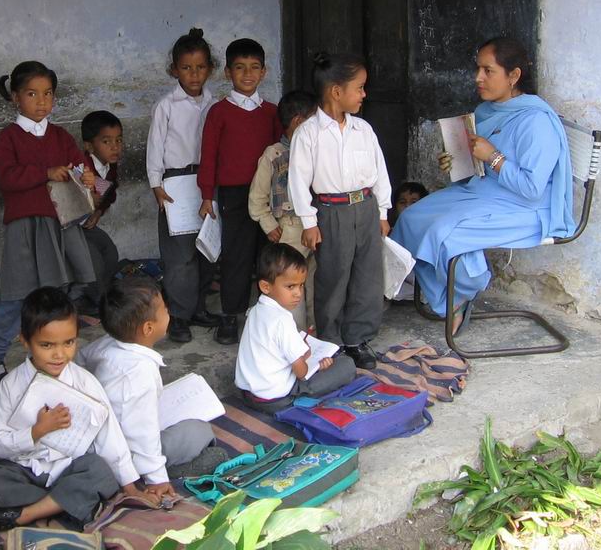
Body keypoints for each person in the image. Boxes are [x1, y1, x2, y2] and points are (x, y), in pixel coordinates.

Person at [391, 37, 575, 333]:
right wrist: (456, 162)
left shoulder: (536, 121)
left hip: (526, 209)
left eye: (488, 71)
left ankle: (462, 293)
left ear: (513, 75)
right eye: (478, 69)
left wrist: (493, 156)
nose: (478, 78)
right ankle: (444, 296)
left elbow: (532, 189)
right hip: (485, 194)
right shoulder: (488, 111)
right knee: (412, 217)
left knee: (445, 232)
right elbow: (478, 171)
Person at [0, 287, 158, 537]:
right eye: (46, 345)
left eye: (69, 343)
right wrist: (36, 432)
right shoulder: (10, 386)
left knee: (100, 472)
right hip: (25, 471)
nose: (59, 354)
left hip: (69, 468)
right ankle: (65, 504)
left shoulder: (85, 382)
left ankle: (25, 514)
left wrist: (130, 487)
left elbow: (109, 437)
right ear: (25, 340)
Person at [0, 61, 97, 388]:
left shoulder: (60, 136)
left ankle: (50, 350)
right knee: (17, 296)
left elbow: (80, 165)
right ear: (15, 98)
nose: (41, 101)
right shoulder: (8, 138)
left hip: (61, 225)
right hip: (26, 228)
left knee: (64, 291)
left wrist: (87, 176)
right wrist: (44, 173)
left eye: (47, 94)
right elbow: (7, 177)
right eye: (32, 94)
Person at [288, 52, 391, 370]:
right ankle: (331, 342)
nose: (364, 94)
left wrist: (383, 212)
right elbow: (298, 181)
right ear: (336, 91)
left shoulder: (364, 129)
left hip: (366, 208)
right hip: (331, 212)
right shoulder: (308, 133)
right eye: (359, 88)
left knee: (367, 277)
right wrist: (309, 221)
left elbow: (380, 173)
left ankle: (357, 339)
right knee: (333, 278)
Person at [79, 276, 228, 491]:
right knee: (200, 431)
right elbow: (141, 434)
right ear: (148, 328)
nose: (169, 313)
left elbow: (82, 360)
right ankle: (170, 470)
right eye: (165, 310)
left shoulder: (106, 344)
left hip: (105, 439)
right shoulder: (139, 371)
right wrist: (157, 478)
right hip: (124, 452)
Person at [198, 38, 282, 345]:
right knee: (236, 256)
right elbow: (209, 156)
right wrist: (207, 195)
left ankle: (268, 317)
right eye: (240, 68)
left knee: (269, 255)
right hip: (233, 195)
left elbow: (281, 155)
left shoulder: (272, 112)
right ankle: (231, 316)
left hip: (268, 195)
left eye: (254, 68)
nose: (248, 74)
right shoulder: (219, 112)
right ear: (227, 72)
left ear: (264, 72)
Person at [146, 28, 221, 344]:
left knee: (206, 249)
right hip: (175, 183)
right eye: (187, 68)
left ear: (210, 69)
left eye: (200, 67)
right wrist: (156, 184)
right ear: (174, 70)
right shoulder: (166, 105)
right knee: (180, 256)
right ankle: (178, 315)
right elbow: (155, 146)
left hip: (206, 181)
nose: (194, 74)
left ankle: (198, 308)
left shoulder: (215, 104)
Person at [235, 244, 356, 413]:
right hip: (275, 399)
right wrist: (316, 366)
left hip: (247, 394)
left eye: (301, 285)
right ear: (265, 286)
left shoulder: (255, 310)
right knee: (346, 365)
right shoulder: (282, 320)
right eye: (290, 286)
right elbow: (301, 373)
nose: (298, 293)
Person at [248, 89, 319, 330]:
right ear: (298, 122)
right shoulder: (274, 155)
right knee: (290, 285)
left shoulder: (317, 153)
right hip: (289, 230)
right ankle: (291, 335)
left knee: (314, 282)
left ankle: (313, 335)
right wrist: (269, 225)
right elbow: (257, 198)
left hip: (315, 227)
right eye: (313, 121)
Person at [79, 110, 124, 314]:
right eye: (106, 141)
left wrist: (98, 212)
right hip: (68, 226)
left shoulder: (110, 168)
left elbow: (109, 194)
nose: (115, 147)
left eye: (119, 140)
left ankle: (101, 294)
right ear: (89, 146)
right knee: (94, 260)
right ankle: (97, 300)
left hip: (87, 224)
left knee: (110, 252)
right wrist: (90, 203)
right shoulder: (83, 167)